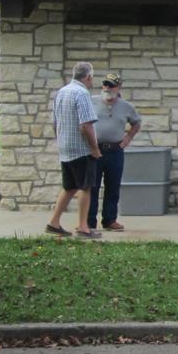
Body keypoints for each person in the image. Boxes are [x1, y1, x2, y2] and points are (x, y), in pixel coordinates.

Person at [46, 61, 102, 238]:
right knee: (85, 187)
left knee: (69, 187)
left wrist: (60, 141)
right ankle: (84, 227)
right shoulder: (82, 93)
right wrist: (94, 148)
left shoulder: (62, 92)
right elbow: (86, 125)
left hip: (65, 147)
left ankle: (54, 223)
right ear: (88, 76)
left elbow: (55, 122)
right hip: (81, 149)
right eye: (92, 77)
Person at [86, 73, 141, 233]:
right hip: (94, 150)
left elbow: (136, 123)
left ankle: (110, 220)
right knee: (92, 186)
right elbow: (83, 122)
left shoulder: (126, 106)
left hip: (115, 151)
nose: (107, 88)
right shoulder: (91, 101)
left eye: (111, 85)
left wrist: (128, 138)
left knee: (113, 186)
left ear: (118, 87)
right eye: (105, 84)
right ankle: (89, 222)